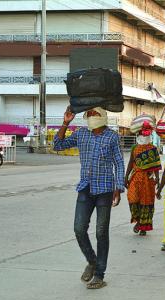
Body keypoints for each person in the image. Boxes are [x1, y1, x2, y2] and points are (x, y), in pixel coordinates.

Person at [53, 106, 125, 290]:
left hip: (105, 190)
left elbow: (118, 162)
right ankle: (92, 261)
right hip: (85, 188)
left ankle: (99, 275)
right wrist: (65, 123)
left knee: (101, 232)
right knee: (79, 229)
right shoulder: (81, 134)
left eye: (95, 113)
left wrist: (119, 186)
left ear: (103, 116)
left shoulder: (112, 137)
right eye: (89, 113)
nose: (92, 116)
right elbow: (58, 145)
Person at [125, 121, 161, 236]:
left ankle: (142, 225)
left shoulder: (153, 148)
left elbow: (156, 165)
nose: (144, 136)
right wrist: (126, 177)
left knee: (146, 202)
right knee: (133, 198)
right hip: (136, 177)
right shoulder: (135, 148)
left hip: (148, 179)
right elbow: (131, 162)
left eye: (146, 134)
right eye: (142, 134)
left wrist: (158, 179)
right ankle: (138, 220)